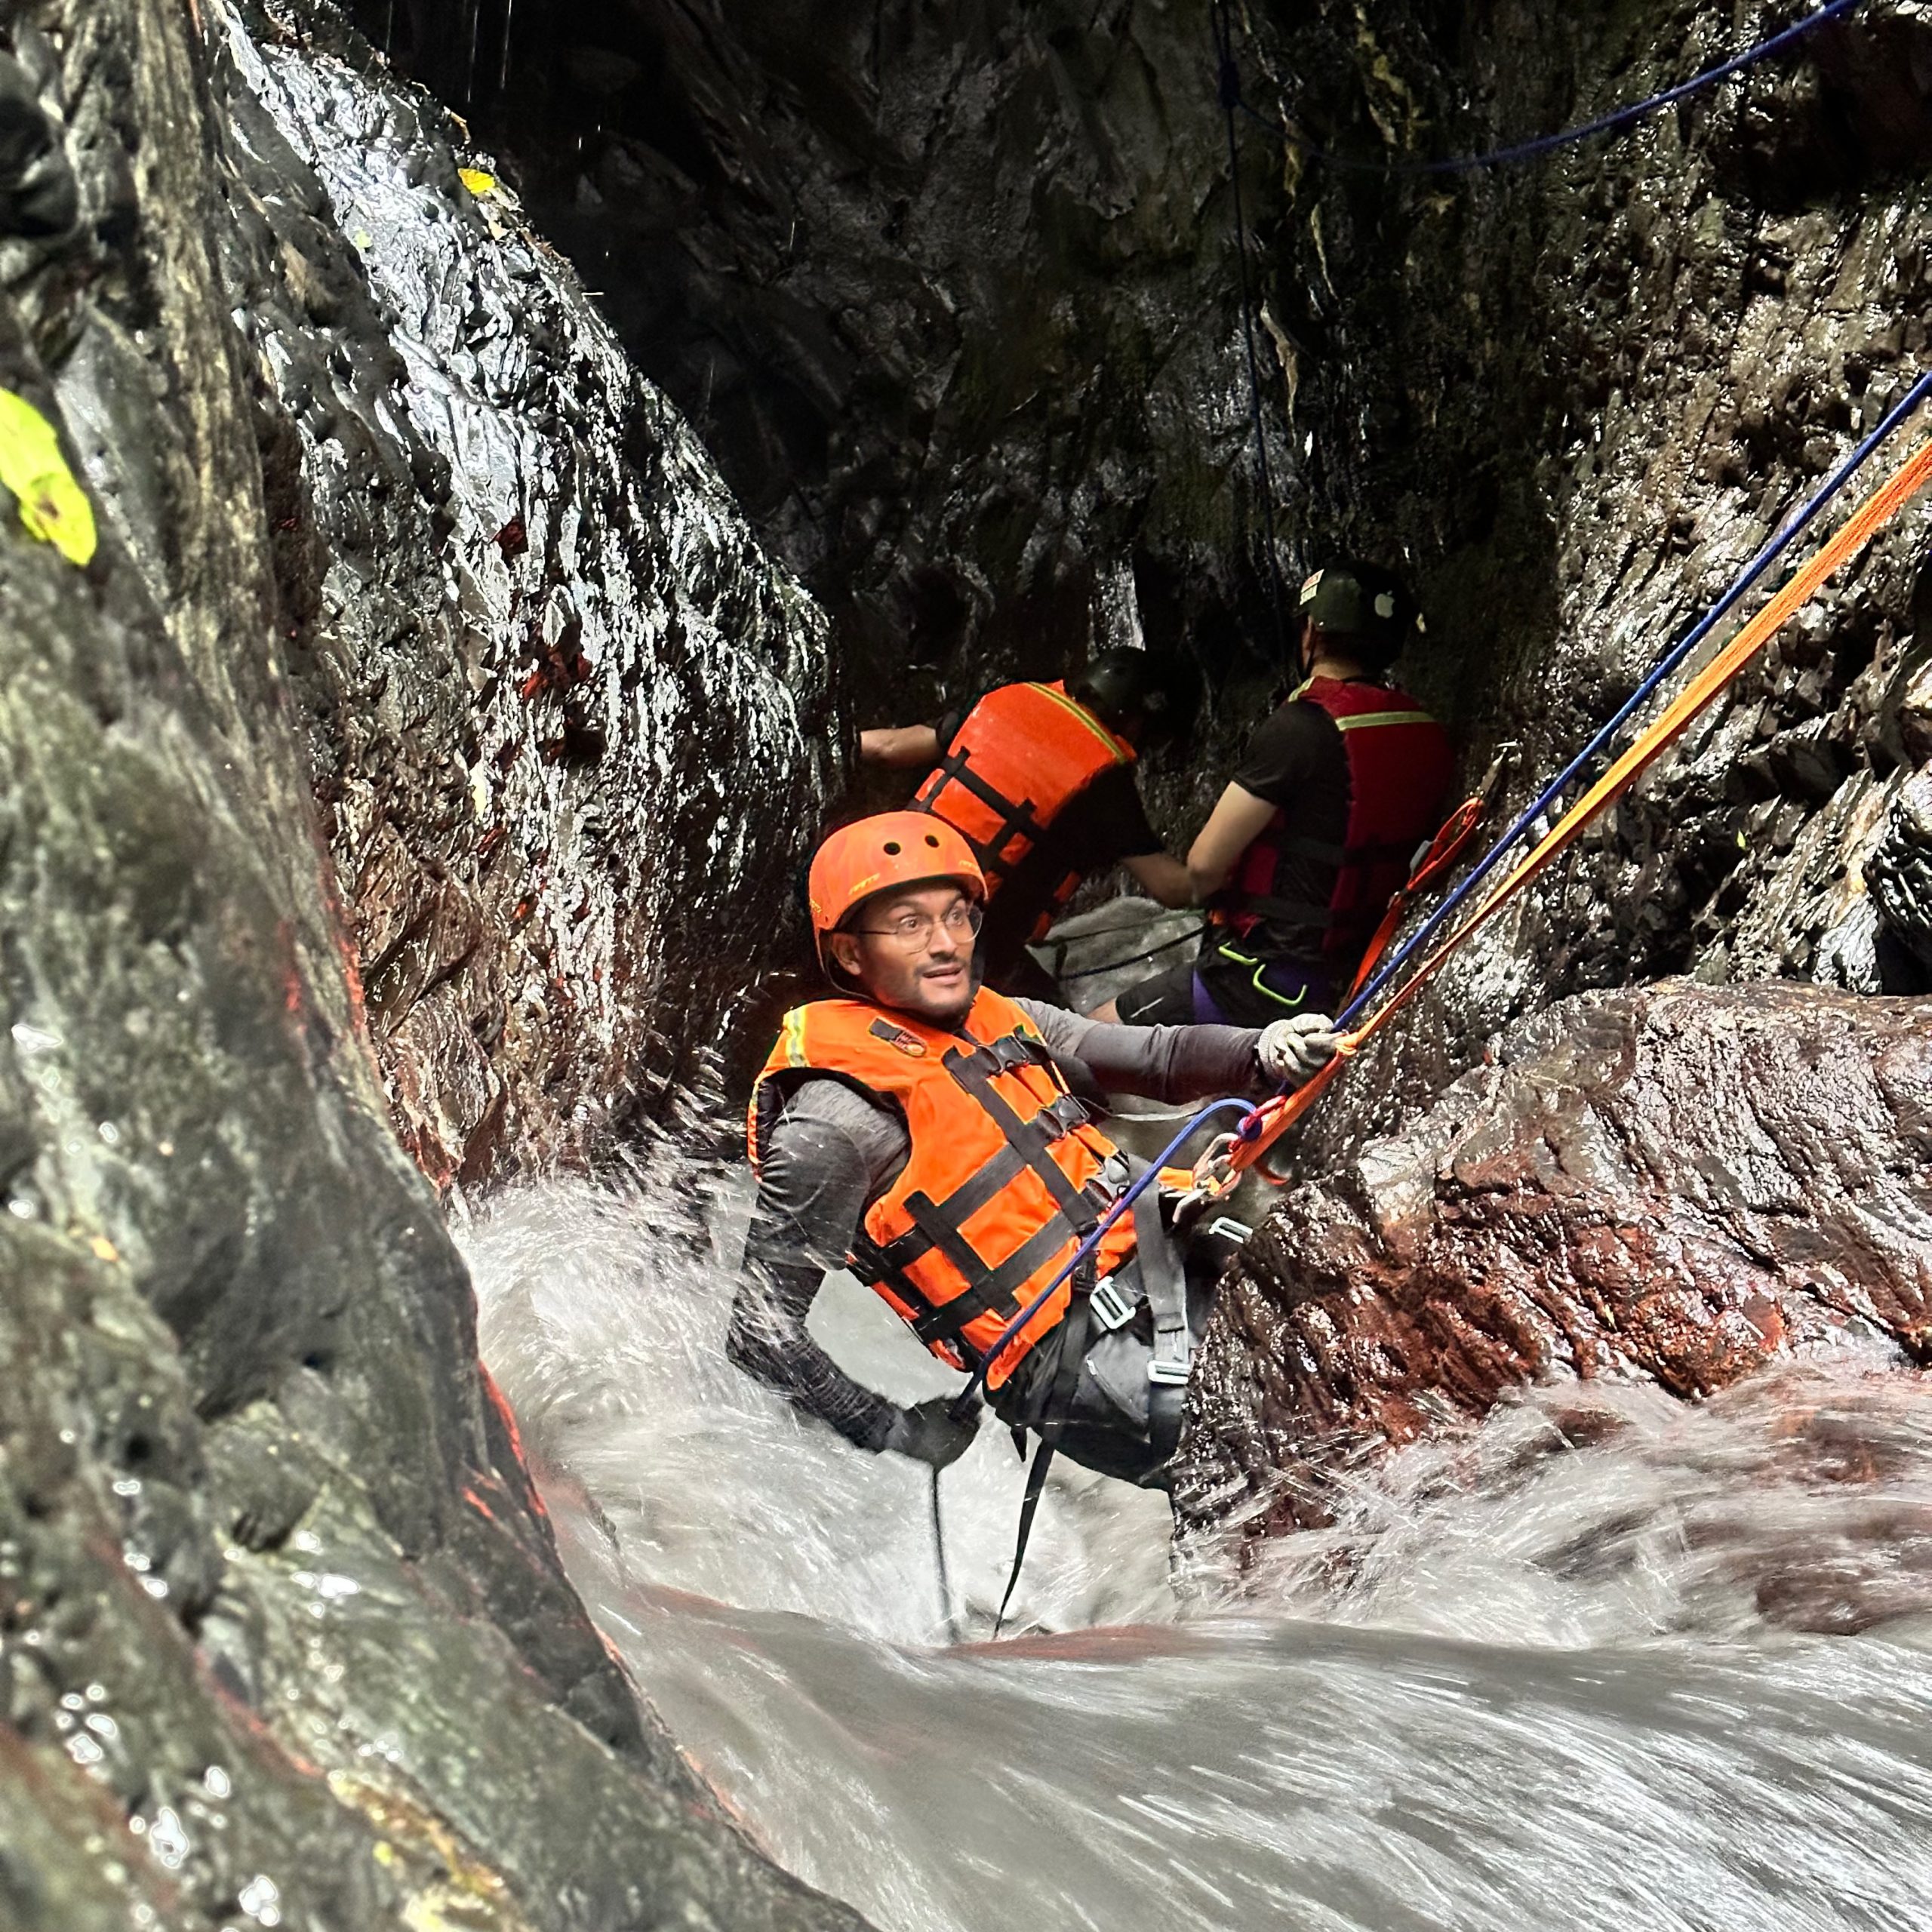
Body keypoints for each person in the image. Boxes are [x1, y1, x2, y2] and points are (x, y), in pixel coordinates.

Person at [730, 811, 1336, 1488]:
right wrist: (890, 1428)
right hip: (1071, 1364)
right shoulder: (831, 1125)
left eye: (958, 916)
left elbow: (1157, 1058)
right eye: (911, 925)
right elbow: (760, 1332)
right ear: (848, 953)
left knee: (1340, 1335)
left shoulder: (1006, 1017)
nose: (946, 944)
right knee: (1291, 1459)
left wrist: (1261, 1052)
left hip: (1160, 1257)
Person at [1100, 562, 1454, 1029]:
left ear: (1312, 634)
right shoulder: (1425, 731)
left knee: (1079, 1039)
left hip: (1262, 984)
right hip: (1349, 977)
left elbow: (1202, 871)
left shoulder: (1300, 729)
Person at [859, 652, 1198, 995]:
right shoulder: (1105, 781)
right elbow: (1172, 888)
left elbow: (887, 747)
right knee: (1059, 1033)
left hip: (884, 884)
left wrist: (841, 743)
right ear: (1135, 719)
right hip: (967, 938)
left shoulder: (1006, 701)